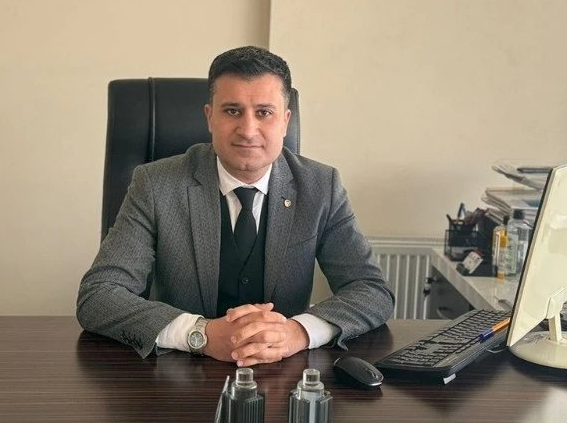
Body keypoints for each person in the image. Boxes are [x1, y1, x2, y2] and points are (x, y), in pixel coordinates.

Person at [77, 46, 393, 367]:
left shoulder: (321, 186)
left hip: (283, 373)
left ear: (285, 121)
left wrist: (297, 332)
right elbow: (98, 295)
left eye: (264, 112)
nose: (248, 130)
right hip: (179, 372)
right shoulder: (156, 185)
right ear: (210, 117)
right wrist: (199, 333)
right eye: (232, 111)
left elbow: (371, 290)